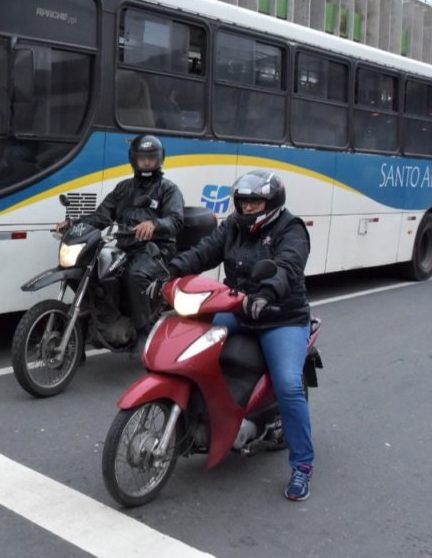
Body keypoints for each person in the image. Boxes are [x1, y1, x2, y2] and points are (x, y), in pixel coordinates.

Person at [161, 170, 315, 501]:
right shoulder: (232, 226)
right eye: (243, 202)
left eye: (255, 202)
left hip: (280, 317)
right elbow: (204, 251)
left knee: (288, 384)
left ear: (272, 203)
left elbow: (288, 266)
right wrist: (170, 270)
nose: (248, 209)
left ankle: (302, 466)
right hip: (238, 310)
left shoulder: (291, 229)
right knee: (189, 348)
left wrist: (267, 294)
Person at [66, 135, 184, 339]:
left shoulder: (168, 189)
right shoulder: (123, 188)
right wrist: (73, 225)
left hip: (156, 249)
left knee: (134, 275)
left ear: (159, 159)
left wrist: (154, 225)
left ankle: (143, 332)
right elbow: (102, 215)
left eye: (151, 158)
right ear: (134, 160)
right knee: (89, 270)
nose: (146, 162)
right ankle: (82, 335)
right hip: (125, 247)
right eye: (142, 158)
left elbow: (176, 220)